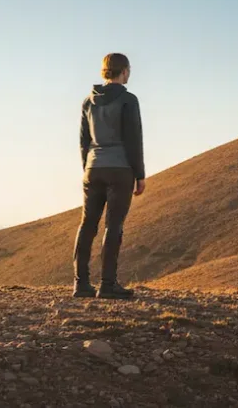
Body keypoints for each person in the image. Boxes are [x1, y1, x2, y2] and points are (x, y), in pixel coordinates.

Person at [73, 53, 146, 299]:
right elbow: (134, 139)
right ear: (123, 71)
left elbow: (83, 141)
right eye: (129, 69)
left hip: (93, 169)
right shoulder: (128, 100)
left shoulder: (88, 101)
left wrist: (88, 168)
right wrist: (140, 174)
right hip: (120, 169)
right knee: (113, 225)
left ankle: (81, 284)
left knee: (87, 225)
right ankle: (107, 285)